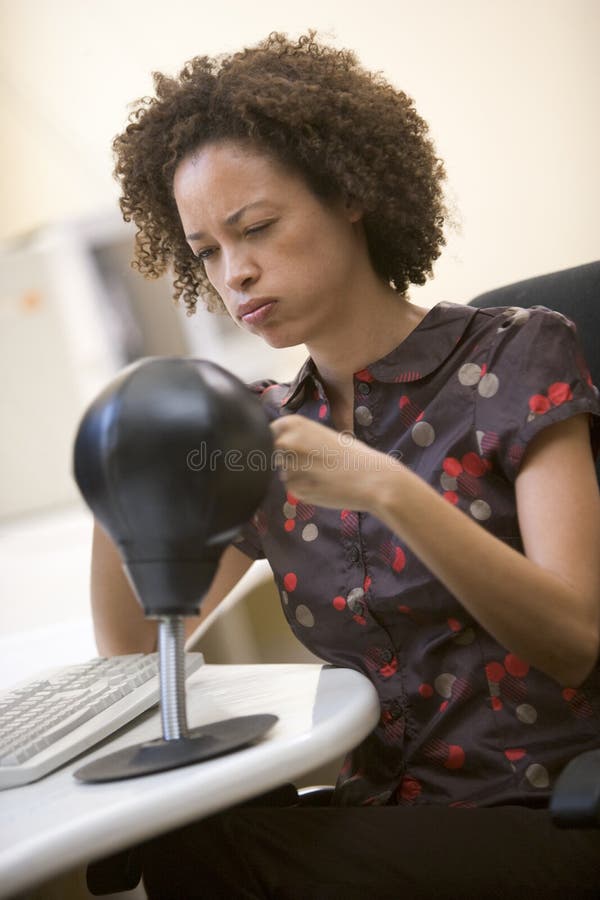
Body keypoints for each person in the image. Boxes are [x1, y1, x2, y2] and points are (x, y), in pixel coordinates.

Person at [96, 30, 600, 898]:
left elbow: (575, 642)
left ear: (350, 193)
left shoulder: (519, 354)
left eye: (257, 228)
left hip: (540, 810)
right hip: (387, 813)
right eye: (207, 251)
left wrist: (383, 487)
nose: (235, 273)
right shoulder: (261, 431)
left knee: (208, 859)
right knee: (177, 830)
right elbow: (141, 648)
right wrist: (116, 473)